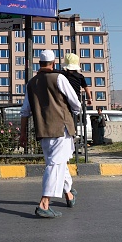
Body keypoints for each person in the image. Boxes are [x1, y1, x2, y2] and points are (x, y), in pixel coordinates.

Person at [19, 49, 81, 218]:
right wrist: (73, 112)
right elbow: (75, 103)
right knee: (55, 165)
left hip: (43, 131)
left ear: (39, 64)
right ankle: (44, 203)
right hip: (61, 128)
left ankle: (68, 193)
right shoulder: (59, 78)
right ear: (53, 64)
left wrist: (22, 134)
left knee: (59, 162)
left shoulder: (31, 83)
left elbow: (25, 111)